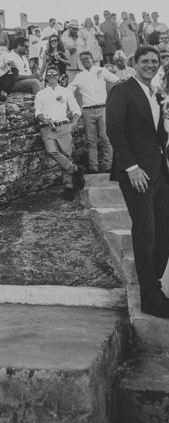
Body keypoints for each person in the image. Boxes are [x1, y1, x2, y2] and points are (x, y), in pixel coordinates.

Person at [106, 45, 169, 318]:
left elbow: (156, 136)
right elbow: (115, 130)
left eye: (154, 61)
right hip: (137, 175)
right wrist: (131, 167)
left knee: (164, 232)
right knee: (146, 233)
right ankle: (150, 299)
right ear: (134, 63)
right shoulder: (122, 90)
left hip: (159, 173)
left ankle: (153, 284)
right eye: (145, 61)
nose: (150, 65)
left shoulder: (155, 93)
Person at [34, 67, 84, 200]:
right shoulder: (41, 93)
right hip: (47, 127)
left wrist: (73, 123)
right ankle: (75, 170)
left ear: (58, 76)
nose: (51, 76)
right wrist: (44, 119)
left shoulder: (66, 92)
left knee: (67, 154)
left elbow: (76, 110)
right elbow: (37, 111)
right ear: (46, 77)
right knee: (51, 151)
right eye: (49, 74)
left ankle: (68, 187)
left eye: (54, 74)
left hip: (63, 126)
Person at [69, 51, 118, 174]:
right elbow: (70, 90)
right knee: (91, 140)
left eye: (87, 58)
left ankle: (108, 166)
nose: (85, 61)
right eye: (83, 60)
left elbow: (117, 81)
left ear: (92, 58)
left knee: (106, 138)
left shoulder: (101, 71)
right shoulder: (79, 76)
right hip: (87, 111)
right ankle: (93, 167)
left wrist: (113, 99)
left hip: (103, 108)